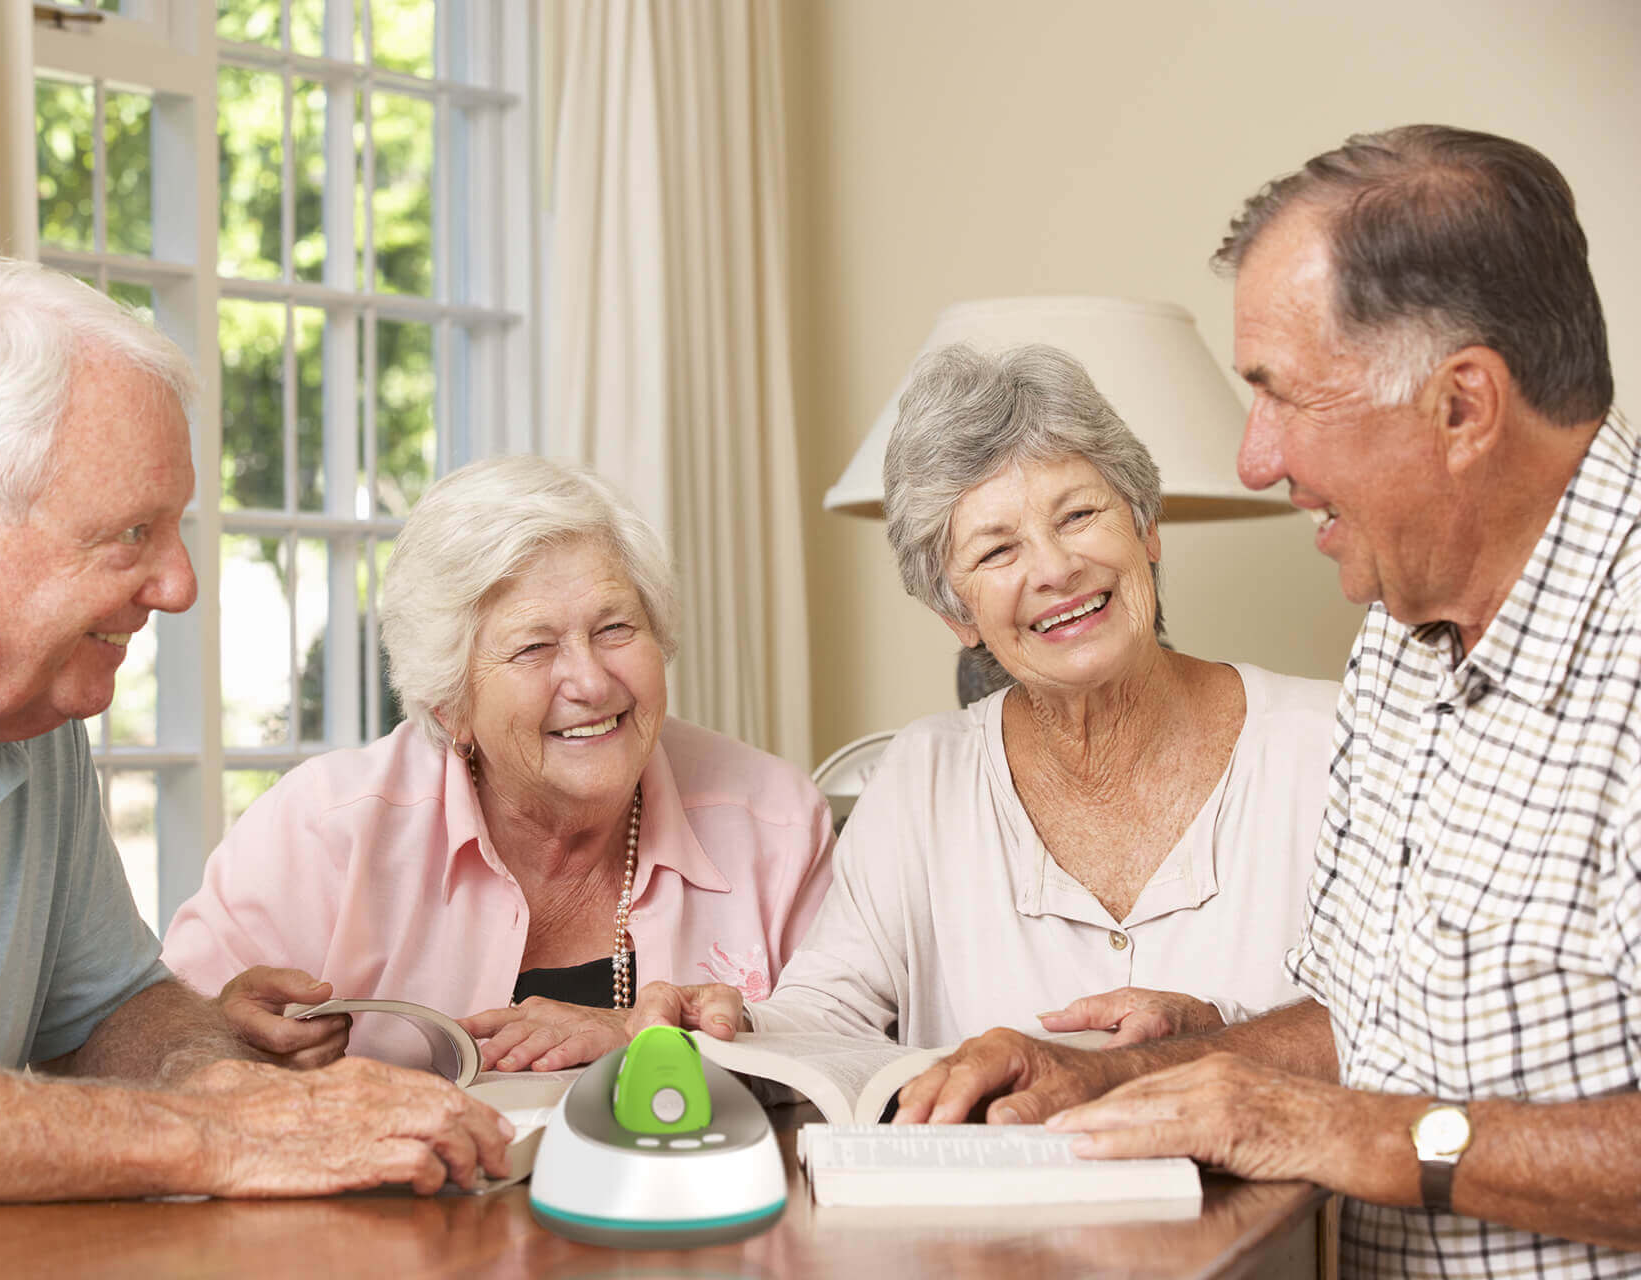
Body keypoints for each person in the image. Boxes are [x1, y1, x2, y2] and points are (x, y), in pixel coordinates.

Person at [889, 126, 1641, 1273]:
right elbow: (1360, 1019)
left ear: (1463, 405)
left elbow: (1348, 1112)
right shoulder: (1398, 636)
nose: (1254, 457)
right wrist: (1123, 1073)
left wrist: (1341, 1132)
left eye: (1281, 394)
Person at [0, 260, 510, 1202]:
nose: (178, 586)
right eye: (133, 534)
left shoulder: (29, 708)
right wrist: (215, 1133)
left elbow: (112, 1011)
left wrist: (217, 1076)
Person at [637, 342, 1339, 1060]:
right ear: (957, 615)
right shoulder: (921, 780)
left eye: (1077, 515)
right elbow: (831, 1010)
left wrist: (1216, 1036)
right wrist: (731, 1025)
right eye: (997, 550)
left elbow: (1408, 1019)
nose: (1056, 569)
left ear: (1146, 528)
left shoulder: (1334, 745)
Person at [160, 454, 835, 1074]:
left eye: (616, 629)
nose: (591, 682)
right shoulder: (323, 833)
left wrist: (655, 1039)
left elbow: (851, 1055)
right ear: (450, 705)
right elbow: (157, 1049)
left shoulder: (773, 822)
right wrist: (222, 1039)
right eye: (534, 648)